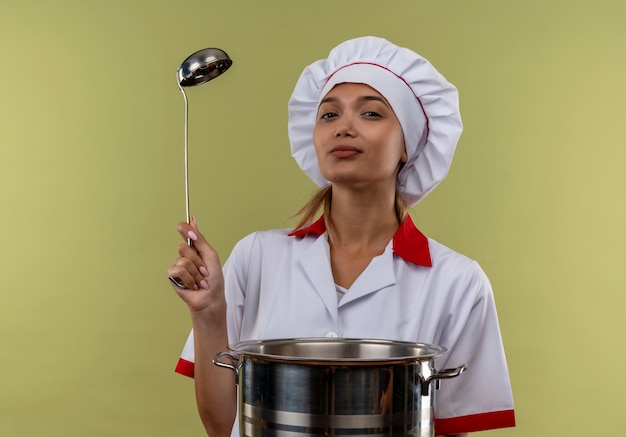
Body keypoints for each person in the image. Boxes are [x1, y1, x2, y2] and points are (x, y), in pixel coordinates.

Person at [168, 36, 515, 437]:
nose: (344, 127)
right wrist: (208, 311)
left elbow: (454, 427)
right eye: (329, 115)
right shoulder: (256, 257)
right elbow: (223, 426)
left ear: (408, 143)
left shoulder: (458, 282)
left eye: (371, 113)